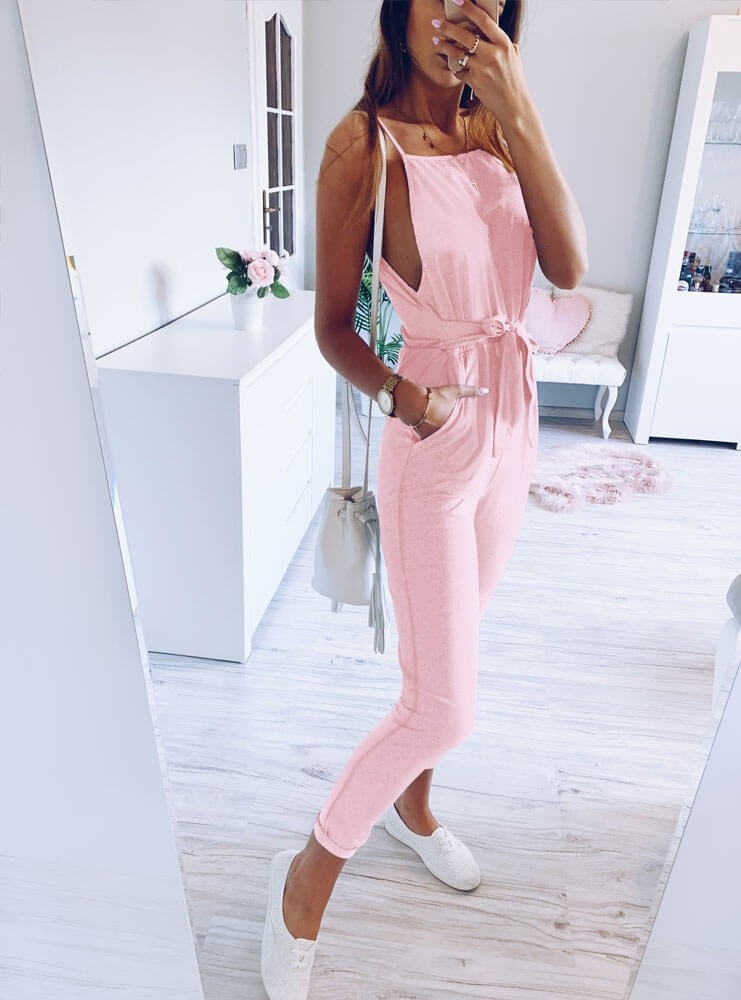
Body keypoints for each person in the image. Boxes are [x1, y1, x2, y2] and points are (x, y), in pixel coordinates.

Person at [261, 0, 587, 996]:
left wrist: (521, 109)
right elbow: (332, 326)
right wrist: (410, 398)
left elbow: (568, 269)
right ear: (401, 7)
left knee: (453, 650)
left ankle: (412, 809)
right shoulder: (361, 146)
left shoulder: (500, 126)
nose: (462, 15)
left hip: (514, 424)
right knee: (441, 705)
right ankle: (304, 882)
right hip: (434, 436)